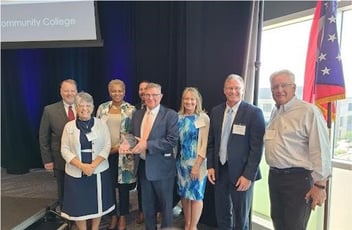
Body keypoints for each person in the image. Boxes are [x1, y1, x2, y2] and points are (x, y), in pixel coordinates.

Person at [264, 69, 331, 230]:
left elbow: (320, 148)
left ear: (294, 87)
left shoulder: (308, 111)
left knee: (294, 226)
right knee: (279, 223)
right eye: (275, 87)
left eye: (283, 85)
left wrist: (320, 185)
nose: (279, 90)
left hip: (297, 181)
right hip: (275, 177)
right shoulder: (276, 111)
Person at [207, 74, 265, 230]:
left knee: (241, 217)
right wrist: (210, 166)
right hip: (220, 170)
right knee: (222, 213)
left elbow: (257, 149)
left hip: (242, 174)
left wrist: (248, 176)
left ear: (243, 90)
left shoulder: (254, 113)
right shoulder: (216, 111)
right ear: (224, 90)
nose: (233, 91)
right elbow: (211, 141)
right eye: (230, 88)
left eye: (237, 88)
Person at [121, 82, 179, 230]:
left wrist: (147, 145)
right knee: (147, 207)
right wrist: (128, 144)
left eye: (154, 95)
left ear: (161, 96)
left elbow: (171, 141)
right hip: (143, 167)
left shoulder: (170, 115)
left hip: (163, 169)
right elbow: (134, 137)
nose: (151, 98)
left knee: (166, 207)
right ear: (143, 96)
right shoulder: (137, 114)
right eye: (148, 95)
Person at [60, 92, 114, 230]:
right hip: (76, 171)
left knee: (97, 202)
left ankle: (95, 228)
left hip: (98, 170)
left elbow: (107, 146)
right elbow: (64, 150)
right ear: (76, 108)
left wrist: (93, 165)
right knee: (79, 204)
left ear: (93, 107)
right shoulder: (69, 127)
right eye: (81, 105)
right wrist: (82, 166)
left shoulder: (101, 124)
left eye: (88, 105)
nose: (85, 108)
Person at [96, 79, 136, 230]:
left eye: (120, 91)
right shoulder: (102, 108)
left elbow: (133, 134)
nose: (117, 93)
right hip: (105, 155)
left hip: (124, 155)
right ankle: (113, 215)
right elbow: (97, 130)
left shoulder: (131, 109)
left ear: (124, 92)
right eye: (114, 91)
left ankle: (123, 217)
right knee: (110, 186)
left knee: (123, 187)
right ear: (109, 91)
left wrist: (120, 146)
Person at [39, 79, 78, 209]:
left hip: (81, 158)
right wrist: (47, 160)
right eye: (66, 90)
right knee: (62, 188)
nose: (69, 93)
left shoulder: (84, 107)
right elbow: (43, 137)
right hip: (59, 158)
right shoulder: (49, 110)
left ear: (76, 92)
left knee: (78, 187)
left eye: (72, 90)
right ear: (61, 92)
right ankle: (65, 214)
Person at [176, 87, 210, 230]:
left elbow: (205, 144)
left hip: (198, 163)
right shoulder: (178, 117)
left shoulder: (203, 118)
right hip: (182, 163)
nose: (189, 102)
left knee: (196, 195)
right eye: (186, 98)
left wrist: (197, 165)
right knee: (184, 195)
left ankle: (193, 227)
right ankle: (187, 224)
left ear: (197, 101)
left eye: (192, 99)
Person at [134, 80, 149, 225]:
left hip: (154, 154)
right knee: (141, 186)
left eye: (146, 88)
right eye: (141, 89)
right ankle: (141, 211)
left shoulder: (162, 110)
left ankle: (157, 211)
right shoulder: (134, 109)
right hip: (139, 155)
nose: (143, 92)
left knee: (155, 185)